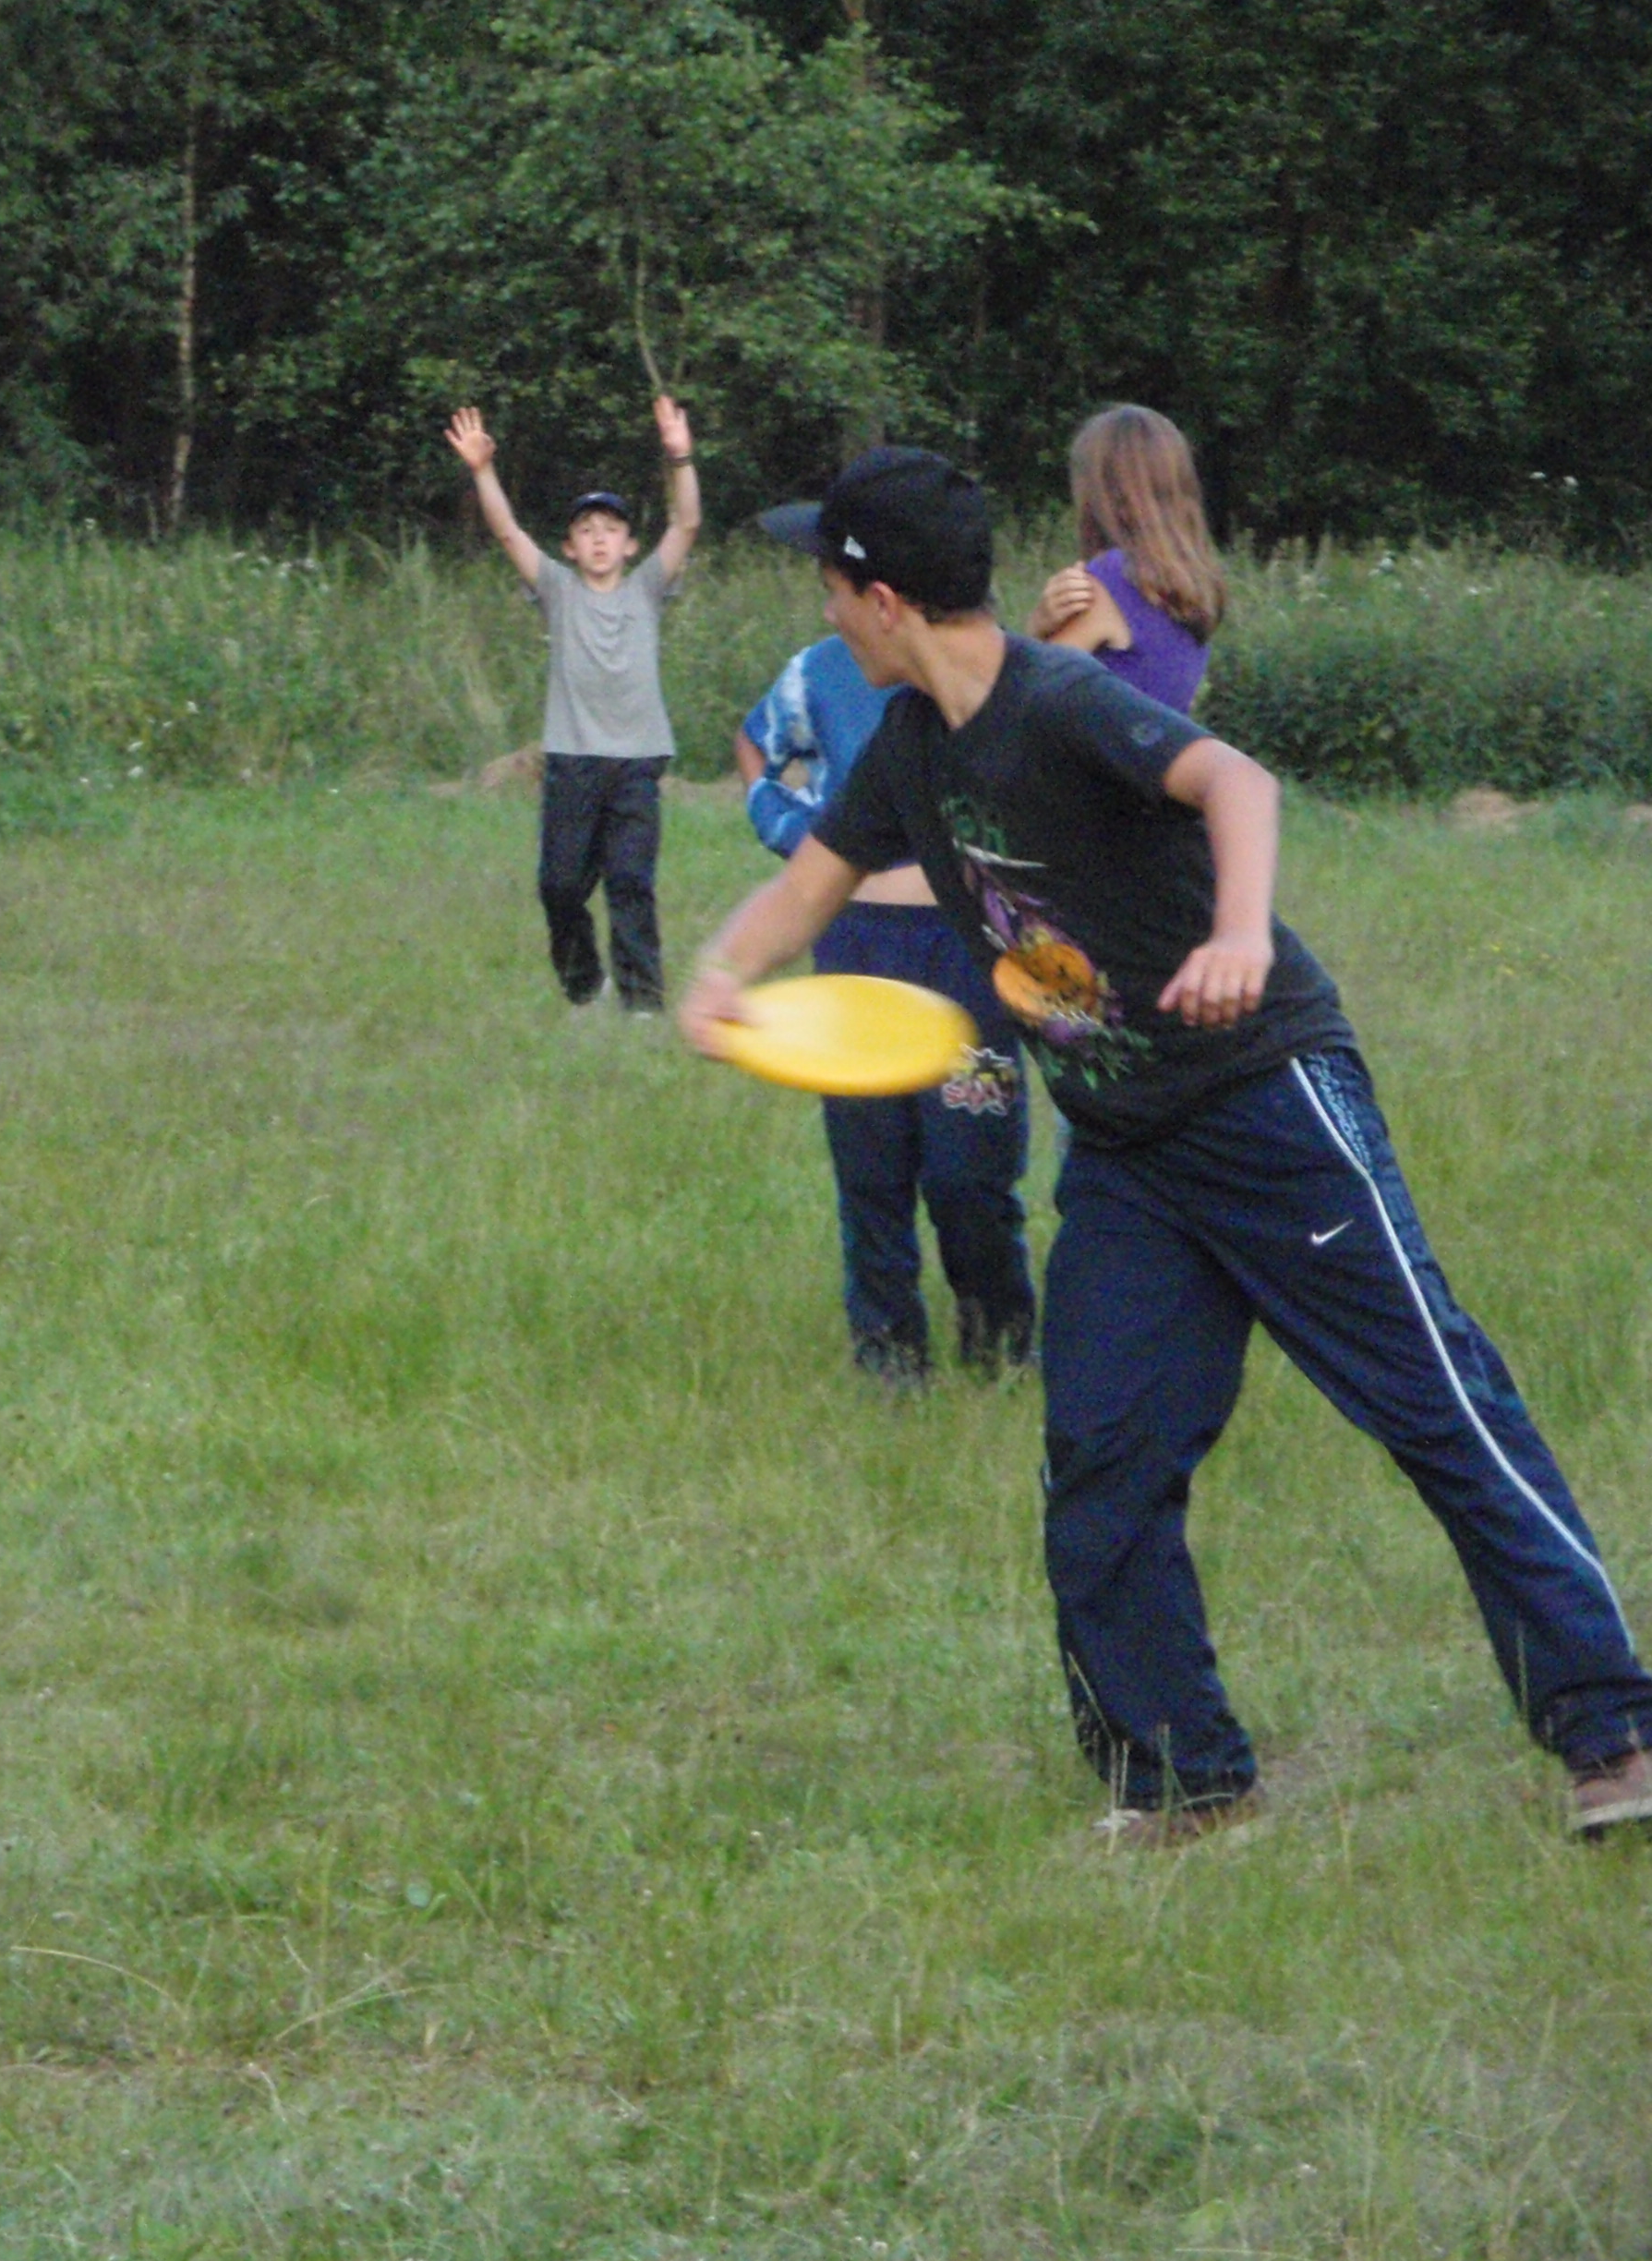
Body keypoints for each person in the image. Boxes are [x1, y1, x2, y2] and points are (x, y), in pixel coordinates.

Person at [679, 446, 1652, 1844]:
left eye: (830, 586)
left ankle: (1614, 1732)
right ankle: (1184, 1778)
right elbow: (811, 885)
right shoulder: (907, 751)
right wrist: (724, 976)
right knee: (1102, 1457)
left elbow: (1235, 782)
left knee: (1438, 1408)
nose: (823, 610)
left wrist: (1240, 932)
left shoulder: (1058, 700)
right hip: (1127, 1149)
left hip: (1265, 1104)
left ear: (880, 599)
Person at [733, 625, 1034, 1383]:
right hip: (857, 945)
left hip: (971, 951)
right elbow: (755, 743)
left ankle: (999, 1347)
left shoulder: (989, 665)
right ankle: (890, 1357)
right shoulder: (817, 668)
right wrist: (796, 833)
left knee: (971, 1171)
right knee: (871, 1164)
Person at [447, 398, 701, 1012]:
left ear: (630, 544)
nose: (599, 539)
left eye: (610, 529)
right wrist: (483, 470)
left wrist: (680, 458)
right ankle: (586, 987)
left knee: (631, 884)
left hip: (637, 760)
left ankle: (643, 1004)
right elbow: (508, 533)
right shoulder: (558, 591)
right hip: (572, 758)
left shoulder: (647, 588)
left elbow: (687, 524)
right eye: (586, 531)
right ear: (569, 547)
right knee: (560, 886)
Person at [1024, 404, 1224, 711]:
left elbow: (1024, 700)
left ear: (1100, 491)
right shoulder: (1192, 587)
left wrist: (1036, 628)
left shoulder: (1113, 578)